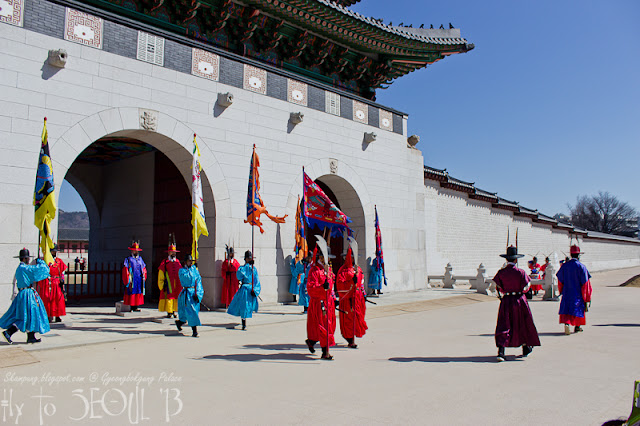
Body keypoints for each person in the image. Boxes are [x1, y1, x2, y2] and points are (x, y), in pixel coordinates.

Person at [493, 246, 541, 362]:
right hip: (519, 300)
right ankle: (525, 347)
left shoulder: (501, 272)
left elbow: (498, 288)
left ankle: (501, 351)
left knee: (504, 324)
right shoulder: (521, 272)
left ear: (506, 259)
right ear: (516, 260)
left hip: (506, 300)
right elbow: (526, 287)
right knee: (523, 323)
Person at [1, 248, 51, 344]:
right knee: (26, 316)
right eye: (27, 258)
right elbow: (42, 269)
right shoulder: (25, 268)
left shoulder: (20, 268)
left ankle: (31, 337)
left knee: (30, 315)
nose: (28, 260)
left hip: (23, 293)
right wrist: (40, 261)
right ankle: (9, 332)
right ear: (24, 259)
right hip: (27, 294)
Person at [305, 250, 337, 360]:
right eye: (327, 257)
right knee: (324, 327)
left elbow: (331, 286)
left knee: (328, 327)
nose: (328, 260)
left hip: (329, 303)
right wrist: (322, 287)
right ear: (321, 257)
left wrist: (333, 297)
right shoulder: (314, 270)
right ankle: (325, 352)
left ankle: (311, 341)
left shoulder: (328, 270)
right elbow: (310, 289)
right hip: (319, 303)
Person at [335, 247, 368, 348]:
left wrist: (363, 294)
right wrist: (351, 281)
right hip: (348, 300)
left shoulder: (358, 269)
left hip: (358, 299)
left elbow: (361, 283)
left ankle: (354, 335)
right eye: (351, 257)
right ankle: (350, 339)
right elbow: (340, 285)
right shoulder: (343, 270)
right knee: (349, 320)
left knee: (358, 318)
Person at [556, 245, 592, 335]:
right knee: (577, 309)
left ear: (571, 254)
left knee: (567, 308)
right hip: (577, 293)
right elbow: (585, 284)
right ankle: (577, 326)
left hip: (567, 292)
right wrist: (587, 297)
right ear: (578, 255)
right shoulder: (581, 267)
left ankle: (567, 323)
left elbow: (560, 280)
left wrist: (561, 291)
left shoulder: (564, 266)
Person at [227, 250, 260, 330]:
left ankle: (245, 320)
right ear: (245, 259)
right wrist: (247, 266)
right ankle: (243, 323)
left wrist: (255, 290)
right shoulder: (242, 268)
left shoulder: (254, 269)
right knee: (243, 306)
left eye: (250, 258)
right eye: (248, 258)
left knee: (249, 306)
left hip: (251, 288)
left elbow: (256, 280)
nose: (249, 259)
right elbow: (239, 276)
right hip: (244, 289)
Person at [36, 244, 67, 323]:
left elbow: (62, 272)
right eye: (53, 251)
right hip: (48, 282)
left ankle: (57, 315)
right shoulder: (45, 261)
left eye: (55, 252)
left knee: (58, 299)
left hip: (57, 282)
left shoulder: (59, 261)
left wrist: (62, 279)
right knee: (47, 299)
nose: (54, 253)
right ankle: (48, 315)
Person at [175, 254, 204, 337]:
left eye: (191, 261)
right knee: (190, 312)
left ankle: (180, 323)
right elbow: (186, 279)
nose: (190, 263)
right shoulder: (182, 271)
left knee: (193, 312)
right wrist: (191, 270)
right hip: (186, 294)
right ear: (185, 262)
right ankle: (194, 331)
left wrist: (198, 294)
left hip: (193, 293)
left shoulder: (195, 270)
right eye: (189, 261)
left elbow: (198, 282)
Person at [158, 241, 182, 318]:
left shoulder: (178, 262)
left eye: (174, 252)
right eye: (171, 252)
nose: (173, 254)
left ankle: (174, 311)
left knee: (176, 296)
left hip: (177, 284)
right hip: (168, 283)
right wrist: (161, 284)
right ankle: (169, 312)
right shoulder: (165, 262)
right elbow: (161, 273)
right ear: (168, 253)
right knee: (169, 297)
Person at [122, 241, 146, 312]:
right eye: (134, 250)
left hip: (139, 278)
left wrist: (144, 274)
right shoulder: (128, 259)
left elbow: (144, 268)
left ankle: (136, 306)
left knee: (138, 292)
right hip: (132, 278)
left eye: (137, 251)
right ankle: (131, 307)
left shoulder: (140, 259)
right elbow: (125, 268)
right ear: (132, 250)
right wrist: (127, 278)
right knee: (131, 291)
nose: (135, 252)